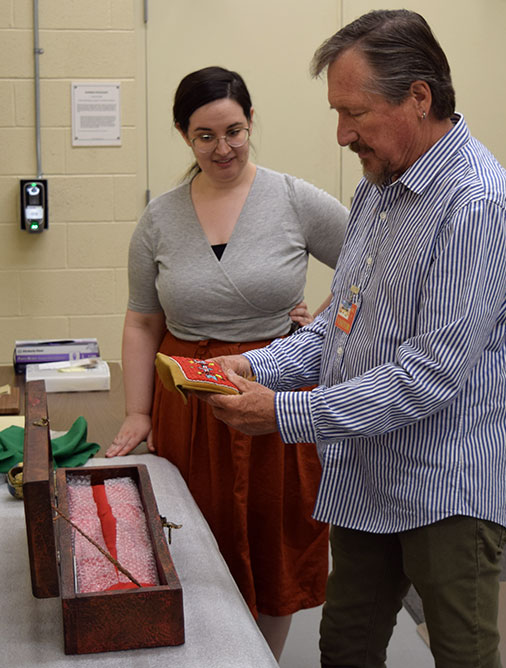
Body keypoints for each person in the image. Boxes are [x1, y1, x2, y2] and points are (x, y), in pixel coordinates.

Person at [195, 11, 506, 668]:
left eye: (356, 112)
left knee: (463, 655)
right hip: (369, 474)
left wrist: (284, 413)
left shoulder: (479, 205)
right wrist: (258, 365)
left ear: (419, 97)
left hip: (448, 486)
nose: (343, 133)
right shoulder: (380, 187)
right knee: (346, 647)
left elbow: (430, 374)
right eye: (336, 112)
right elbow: (337, 324)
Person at [105, 66, 348, 660]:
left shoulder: (294, 199)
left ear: (251, 122)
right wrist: (139, 412)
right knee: (193, 538)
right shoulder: (160, 219)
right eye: (205, 136)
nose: (223, 148)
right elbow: (142, 322)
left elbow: (368, 271)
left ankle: (261, 658)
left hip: (273, 393)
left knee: (272, 539)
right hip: (188, 403)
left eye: (234, 131)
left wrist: (315, 328)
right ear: (185, 136)